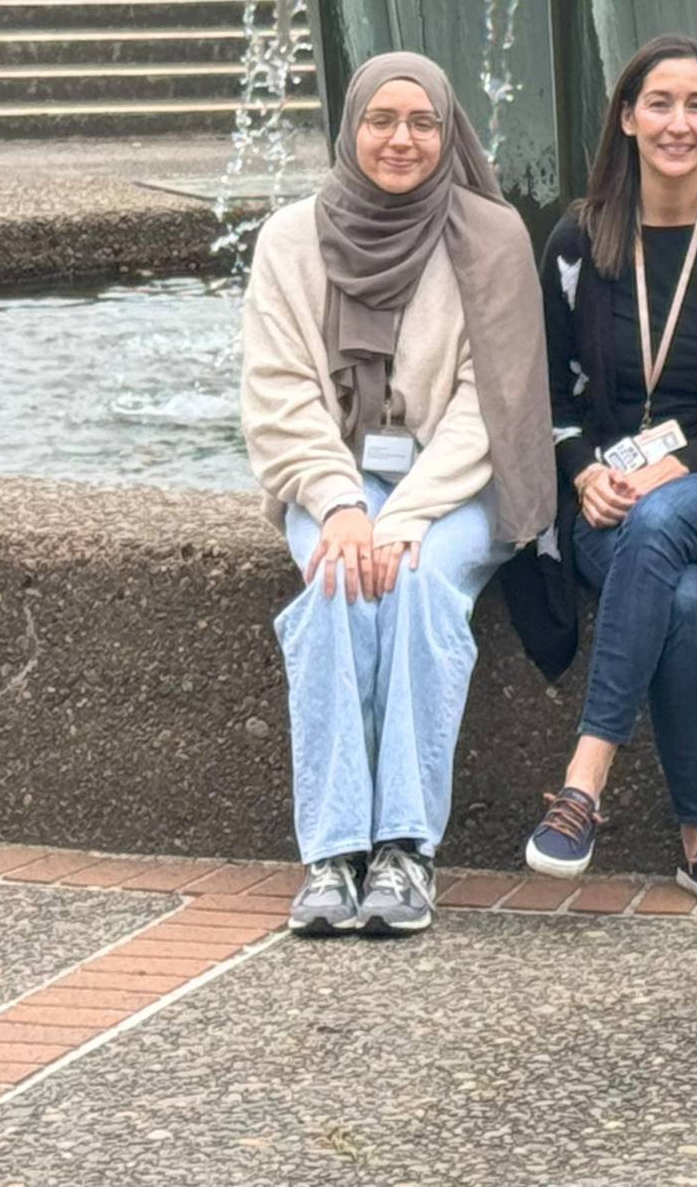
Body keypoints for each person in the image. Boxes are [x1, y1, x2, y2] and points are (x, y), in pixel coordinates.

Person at [242, 52, 554, 938]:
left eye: (422, 123)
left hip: (454, 485)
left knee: (415, 585)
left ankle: (406, 850)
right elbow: (280, 393)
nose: (401, 140)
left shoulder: (490, 239)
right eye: (381, 120)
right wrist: (341, 504)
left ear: (448, 132)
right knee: (338, 582)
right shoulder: (289, 240)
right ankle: (333, 854)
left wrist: (405, 515)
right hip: (330, 478)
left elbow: (485, 405)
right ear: (350, 128)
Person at [518, 35, 697, 910]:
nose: (679, 122)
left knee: (664, 518)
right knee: (673, 593)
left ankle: (582, 783)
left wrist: (681, 461)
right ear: (628, 119)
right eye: (661, 104)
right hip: (608, 504)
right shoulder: (577, 242)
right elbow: (548, 400)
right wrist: (578, 473)